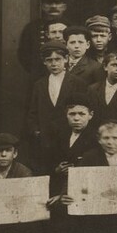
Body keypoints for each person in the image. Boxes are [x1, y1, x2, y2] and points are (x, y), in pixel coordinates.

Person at [26, 40, 89, 171]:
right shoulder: (39, 84)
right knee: (48, 170)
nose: (54, 64)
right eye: (49, 60)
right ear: (44, 62)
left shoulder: (77, 82)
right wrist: (36, 131)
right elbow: (32, 111)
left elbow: (83, 109)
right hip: (45, 139)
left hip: (67, 137)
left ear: (66, 59)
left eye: (58, 59)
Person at [18, 0, 68, 78]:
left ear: (64, 6)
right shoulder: (31, 28)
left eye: (57, 2)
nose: (53, 6)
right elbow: (23, 56)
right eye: (49, 2)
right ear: (42, 6)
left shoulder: (72, 27)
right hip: (39, 78)